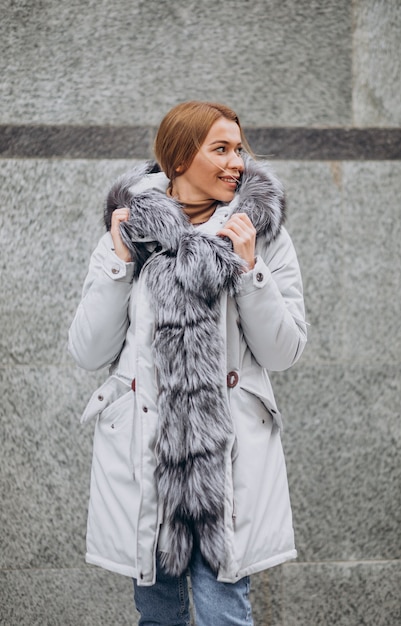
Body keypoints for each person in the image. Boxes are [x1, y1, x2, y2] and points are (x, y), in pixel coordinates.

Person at [68, 101, 307, 625]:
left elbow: (283, 353)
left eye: (238, 149)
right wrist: (117, 265)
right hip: (146, 458)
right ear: (178, 158)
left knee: (226, 614)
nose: (236, 162)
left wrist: (251, 273)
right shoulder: (129, 232)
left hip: (226, 465)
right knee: (157, 618)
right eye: (220, 149)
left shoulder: (261, 234)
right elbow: (87, 351)